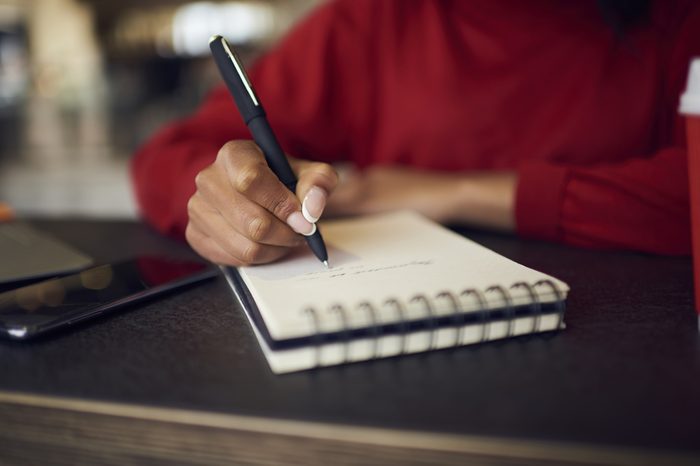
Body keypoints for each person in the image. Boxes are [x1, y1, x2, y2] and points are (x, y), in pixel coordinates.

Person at [131, 0, 700, 266]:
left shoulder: (675, 22)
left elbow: (689, 193)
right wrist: (222, 196)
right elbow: (170, 158)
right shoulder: (370, 23)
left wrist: (454, 193)